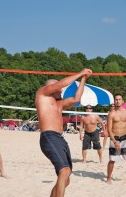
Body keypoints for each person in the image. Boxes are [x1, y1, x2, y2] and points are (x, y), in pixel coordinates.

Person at [35, 69, 92, 197]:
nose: (61, 90)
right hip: (49, 136)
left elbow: (77, 98)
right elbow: (60, 84)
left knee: (66, 179)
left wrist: (84, 79)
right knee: (64, 170)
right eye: (57, 88)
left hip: (60, 139)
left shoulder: (59, 104)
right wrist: (80, 73)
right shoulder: (42, 94)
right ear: (50, 88)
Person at [106, 94, 126, 184]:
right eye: (116, 99)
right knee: (112, 160)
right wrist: (114, 142)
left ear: (122, 101)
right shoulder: (111, 114)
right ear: (114, 101)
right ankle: (109, 178)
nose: (118, 101)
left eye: (119, 99)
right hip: (114, 138)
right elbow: (109, 129)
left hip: (124, 138)